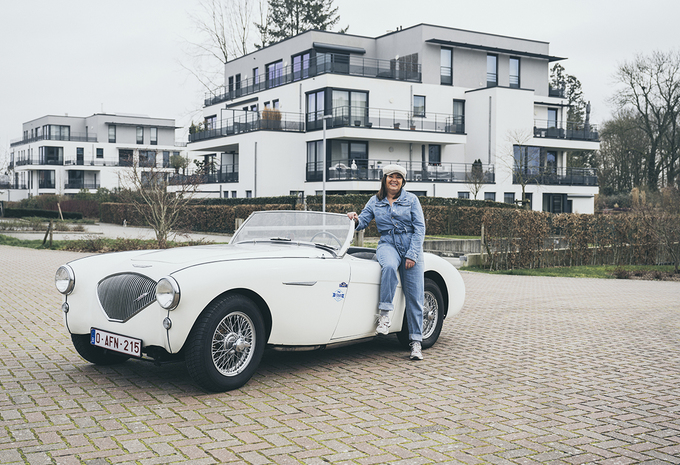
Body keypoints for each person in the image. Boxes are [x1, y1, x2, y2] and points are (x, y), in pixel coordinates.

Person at [347, 165, 426, 360]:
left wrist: (412, 254)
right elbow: (363, 221)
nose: (395, 180)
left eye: (399, 177)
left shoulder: (412, 200)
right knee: (389, 266)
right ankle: (384, 315)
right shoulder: (375, 201)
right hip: (387, 243)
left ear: (403, 182)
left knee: (415, 297)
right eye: (391, 176)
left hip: (410, 244)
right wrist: (354, 219)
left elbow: (420, 228)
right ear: (384, 178)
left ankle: (416, 342)